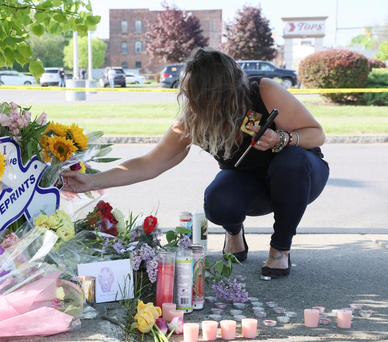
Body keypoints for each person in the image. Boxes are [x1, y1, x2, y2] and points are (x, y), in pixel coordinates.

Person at [62, 48, 330, 279]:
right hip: (250, 185)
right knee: (217, 200)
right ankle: (234, 233)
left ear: (222, 93)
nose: (189, 102)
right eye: (187, 92)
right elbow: (149, 164)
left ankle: (280, 250)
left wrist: (281, 138)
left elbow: (317, 134)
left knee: (291, 162)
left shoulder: (263, 91)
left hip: (300, 179)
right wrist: (91, 182)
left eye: (196, 95)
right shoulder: (192, 121)